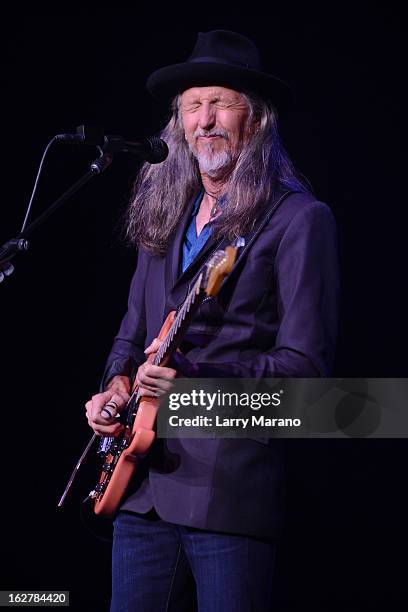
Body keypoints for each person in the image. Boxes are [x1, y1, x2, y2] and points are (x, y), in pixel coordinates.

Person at [85, 29, 339, 612]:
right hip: (138, 490)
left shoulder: (299, 219)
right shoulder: (162, 218)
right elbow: (129, 336)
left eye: (222, 103)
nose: (206, 120)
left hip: (228, 497)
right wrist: (114, 389)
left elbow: (307, 378)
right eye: (193, 105)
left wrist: (193, 387)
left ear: (256, 120)